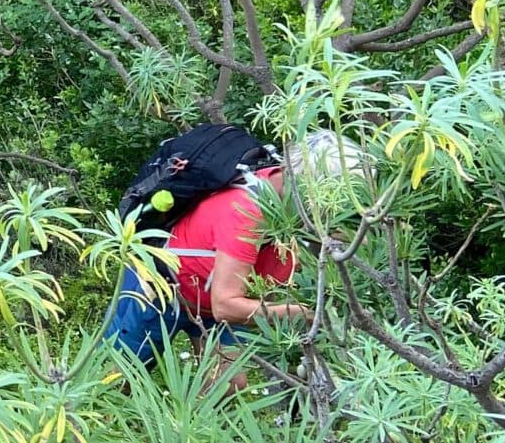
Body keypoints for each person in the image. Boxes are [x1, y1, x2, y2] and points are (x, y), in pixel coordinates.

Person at [102, 132, 353, 362]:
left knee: (229, 384)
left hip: (211, 296)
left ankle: (188, 412)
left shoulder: (287, 191)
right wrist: (304, 313)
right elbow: (226, 306)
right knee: (120, 376)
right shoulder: (247, 213)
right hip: (161, 286)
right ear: (312, 188)